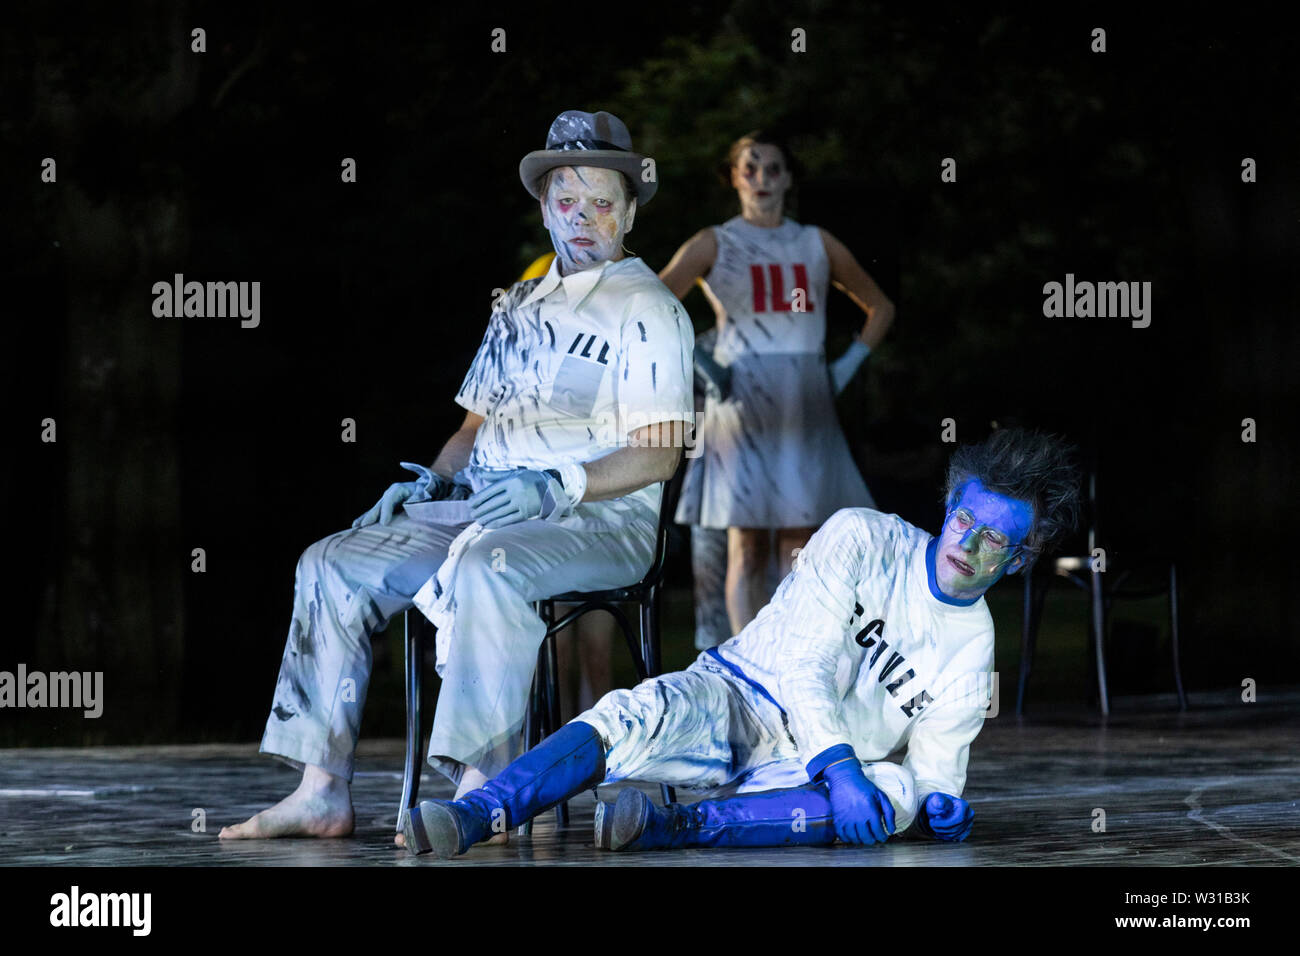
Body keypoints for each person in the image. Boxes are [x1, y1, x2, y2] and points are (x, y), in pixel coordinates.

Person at [220, 110, 694, 843]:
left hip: (595, 520)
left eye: (602, 202)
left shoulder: (650, 309)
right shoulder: (517, 305)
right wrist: (432, 483)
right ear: (544, 208)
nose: (583, 218)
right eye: (566, 201)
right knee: (331, 562)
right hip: (483, 508)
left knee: (485, 564)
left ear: (630, 210)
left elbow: (659, 454)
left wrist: (556, 484)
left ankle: (484, 796)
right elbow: (473, 431)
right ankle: (321, 790)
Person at [401, 428, 1080, 856]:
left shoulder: (973, 651)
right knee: (625, 713)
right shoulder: (863, 535)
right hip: (737, 692)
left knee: (896, 791)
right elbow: (804, 666)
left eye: (995, 538)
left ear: (1017, 559)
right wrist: (843, 773)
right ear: (950, 506)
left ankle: (663, 829)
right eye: (965, 519)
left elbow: (935, 769)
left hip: (809, 770)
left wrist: (939, 808)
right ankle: (476, 813)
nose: (970, 543)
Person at [658, 131, 896, 636]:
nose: (761, 178)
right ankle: (749, 662)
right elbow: (651, 307)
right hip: (740, 398)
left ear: (788, 177)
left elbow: (881, 306)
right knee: (746, 541)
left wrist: (845, 366)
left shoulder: (816, 242)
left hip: (803, 395)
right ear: (733, 177)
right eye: (750, 167)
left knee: (801, 540)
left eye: (771, 168)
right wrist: (699, 360)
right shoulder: (714, 241)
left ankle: (794, 655)